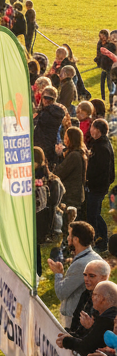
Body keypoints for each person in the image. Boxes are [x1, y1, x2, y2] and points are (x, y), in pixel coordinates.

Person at [47, 220, 96, 327]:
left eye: (69, 235)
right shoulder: (93, 258)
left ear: (76, 239)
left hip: (75, 319)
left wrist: (58, 273)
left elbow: (61, 293)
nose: (67, 238)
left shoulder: (81, 264)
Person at [85, 118, 115, 248]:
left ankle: (102, 239)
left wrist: (87, 178)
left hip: (97, 186)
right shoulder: (98, 143)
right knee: (92, 212)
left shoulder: (101, 147)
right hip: (97, 185)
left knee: (94, 214)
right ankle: (98, 237)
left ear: (97, 130)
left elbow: (99, 170)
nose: (90, 129)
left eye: (92, 127)